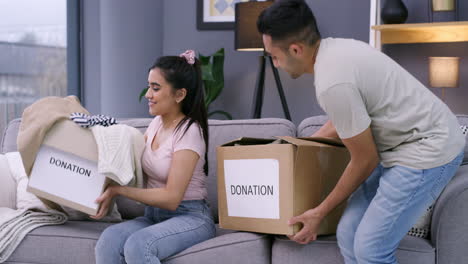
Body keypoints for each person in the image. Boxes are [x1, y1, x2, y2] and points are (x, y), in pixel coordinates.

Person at [257, 0, 465, 263]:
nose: (275, 64)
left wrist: (319, 212)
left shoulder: (332, 82)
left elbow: (365, 159)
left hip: (427, 148)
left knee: (371, 250)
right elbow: (345, 121)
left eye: (274, 56)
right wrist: (298, 147)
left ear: (295, 49)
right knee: (348, 232)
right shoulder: (336, 49)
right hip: (398, 147)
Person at [94, 50, 215, 264]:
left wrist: (118, 191)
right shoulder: (156, 123)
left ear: (179, 95)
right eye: (149, 86)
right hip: (153, 216)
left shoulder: (189, 132)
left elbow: (171, 198)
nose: (148, 94)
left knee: (140, 244)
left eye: (155, 88)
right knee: (109, 240)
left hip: (190, 216)